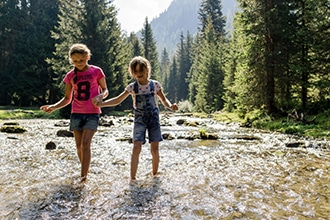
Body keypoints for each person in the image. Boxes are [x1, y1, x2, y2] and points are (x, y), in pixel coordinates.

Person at [93, 56, 178, 182]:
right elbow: (118, 99)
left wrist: (170, 106)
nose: (139, 74)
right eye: (136, 71)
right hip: (139, 119)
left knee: (154, 148)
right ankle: (132, 178)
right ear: (132, 72)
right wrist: (103, 103)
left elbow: (163, 100)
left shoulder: (155, 85)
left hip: (154, 119)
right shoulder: (132, 87)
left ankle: (155, 175)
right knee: (136, 146)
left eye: (141, 71)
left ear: (147, 70)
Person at [40, 43, 108, 183]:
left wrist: (100, 97)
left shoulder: (97, 71)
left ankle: (83, 178)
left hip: (92, 113)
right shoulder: (70, 75)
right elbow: (67, 98)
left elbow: (105, 90)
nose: (78, 63)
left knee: (85, 144)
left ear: (87, 57)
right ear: (71, 60)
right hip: (76, 113)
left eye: (81, 60)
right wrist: (53, 107)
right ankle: (85, 169)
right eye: (75, 61)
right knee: (78, 146)